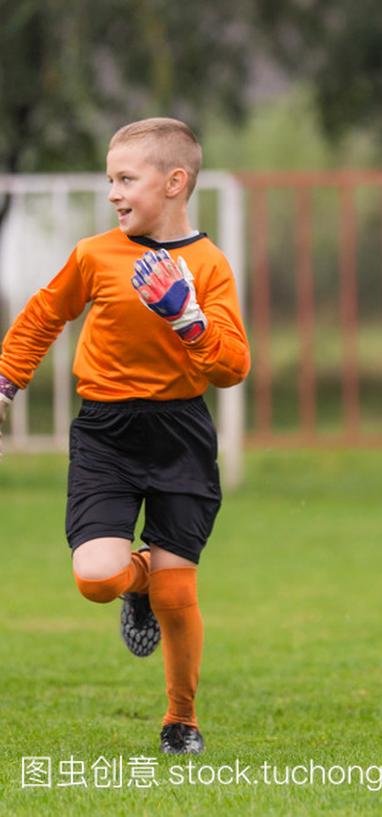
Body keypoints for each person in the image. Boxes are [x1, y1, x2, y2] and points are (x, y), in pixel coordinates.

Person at [0, 117, 250, 754]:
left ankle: (181, 720)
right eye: (110, 178)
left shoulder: (208, 265)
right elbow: (41, 316)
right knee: (97, 578)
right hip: (105, 433)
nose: (113, 192)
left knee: (178, 589)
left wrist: (187, 319)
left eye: (126, 179)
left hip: (180, 433)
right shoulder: (94, 254)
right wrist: (6, 381)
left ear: (174, 182)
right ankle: (135, 586)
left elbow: (231, 368)